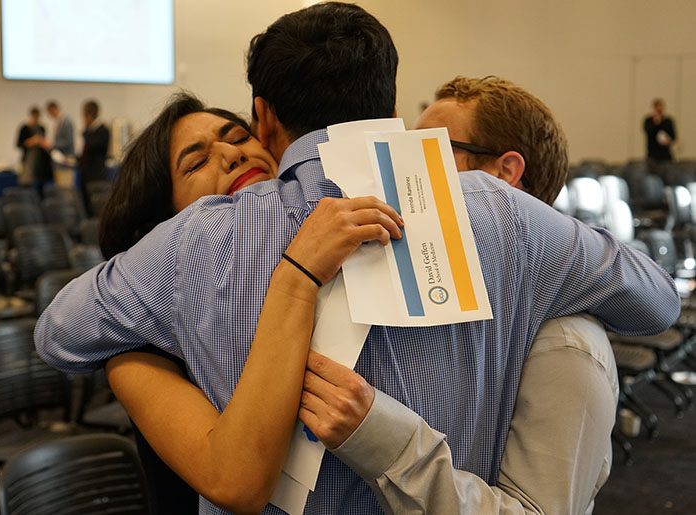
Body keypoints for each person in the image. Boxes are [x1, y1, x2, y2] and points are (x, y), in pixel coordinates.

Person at [36, 4, 680, 515]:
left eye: (234, 138)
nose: (229, 158)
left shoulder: (191, 244)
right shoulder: (500, 209)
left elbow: (58, 333)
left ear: (264, 121)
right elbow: (656, 301)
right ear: (393, 110)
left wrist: (129, 343)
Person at [301, 76, 620, 514]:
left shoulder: (567, 340)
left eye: (428, 151)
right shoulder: (449, 297)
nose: (400, 168)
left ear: (504, 176)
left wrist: (379, 437)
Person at [95, 92, 404, 513]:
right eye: (196, 163)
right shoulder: (138, 353)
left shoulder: (342, 263)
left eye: (240, 137)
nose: (230, 154)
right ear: (163, 235)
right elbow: (234, 482)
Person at [79, 99, 110, 214]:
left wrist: (86, 131)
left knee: (97, 208)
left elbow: (94, 146)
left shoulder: (102, 130)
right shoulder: (90, 131)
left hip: (97, 175)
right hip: (86, 175)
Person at [15, 105, 53, 195]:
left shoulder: (41, 128)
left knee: (41, 186)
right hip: (29, 162)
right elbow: (19, 144)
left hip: (41, 162)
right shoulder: (24, 128)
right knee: (27, 184)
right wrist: (32, 141)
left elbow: (45, 143)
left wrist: (43, 142)